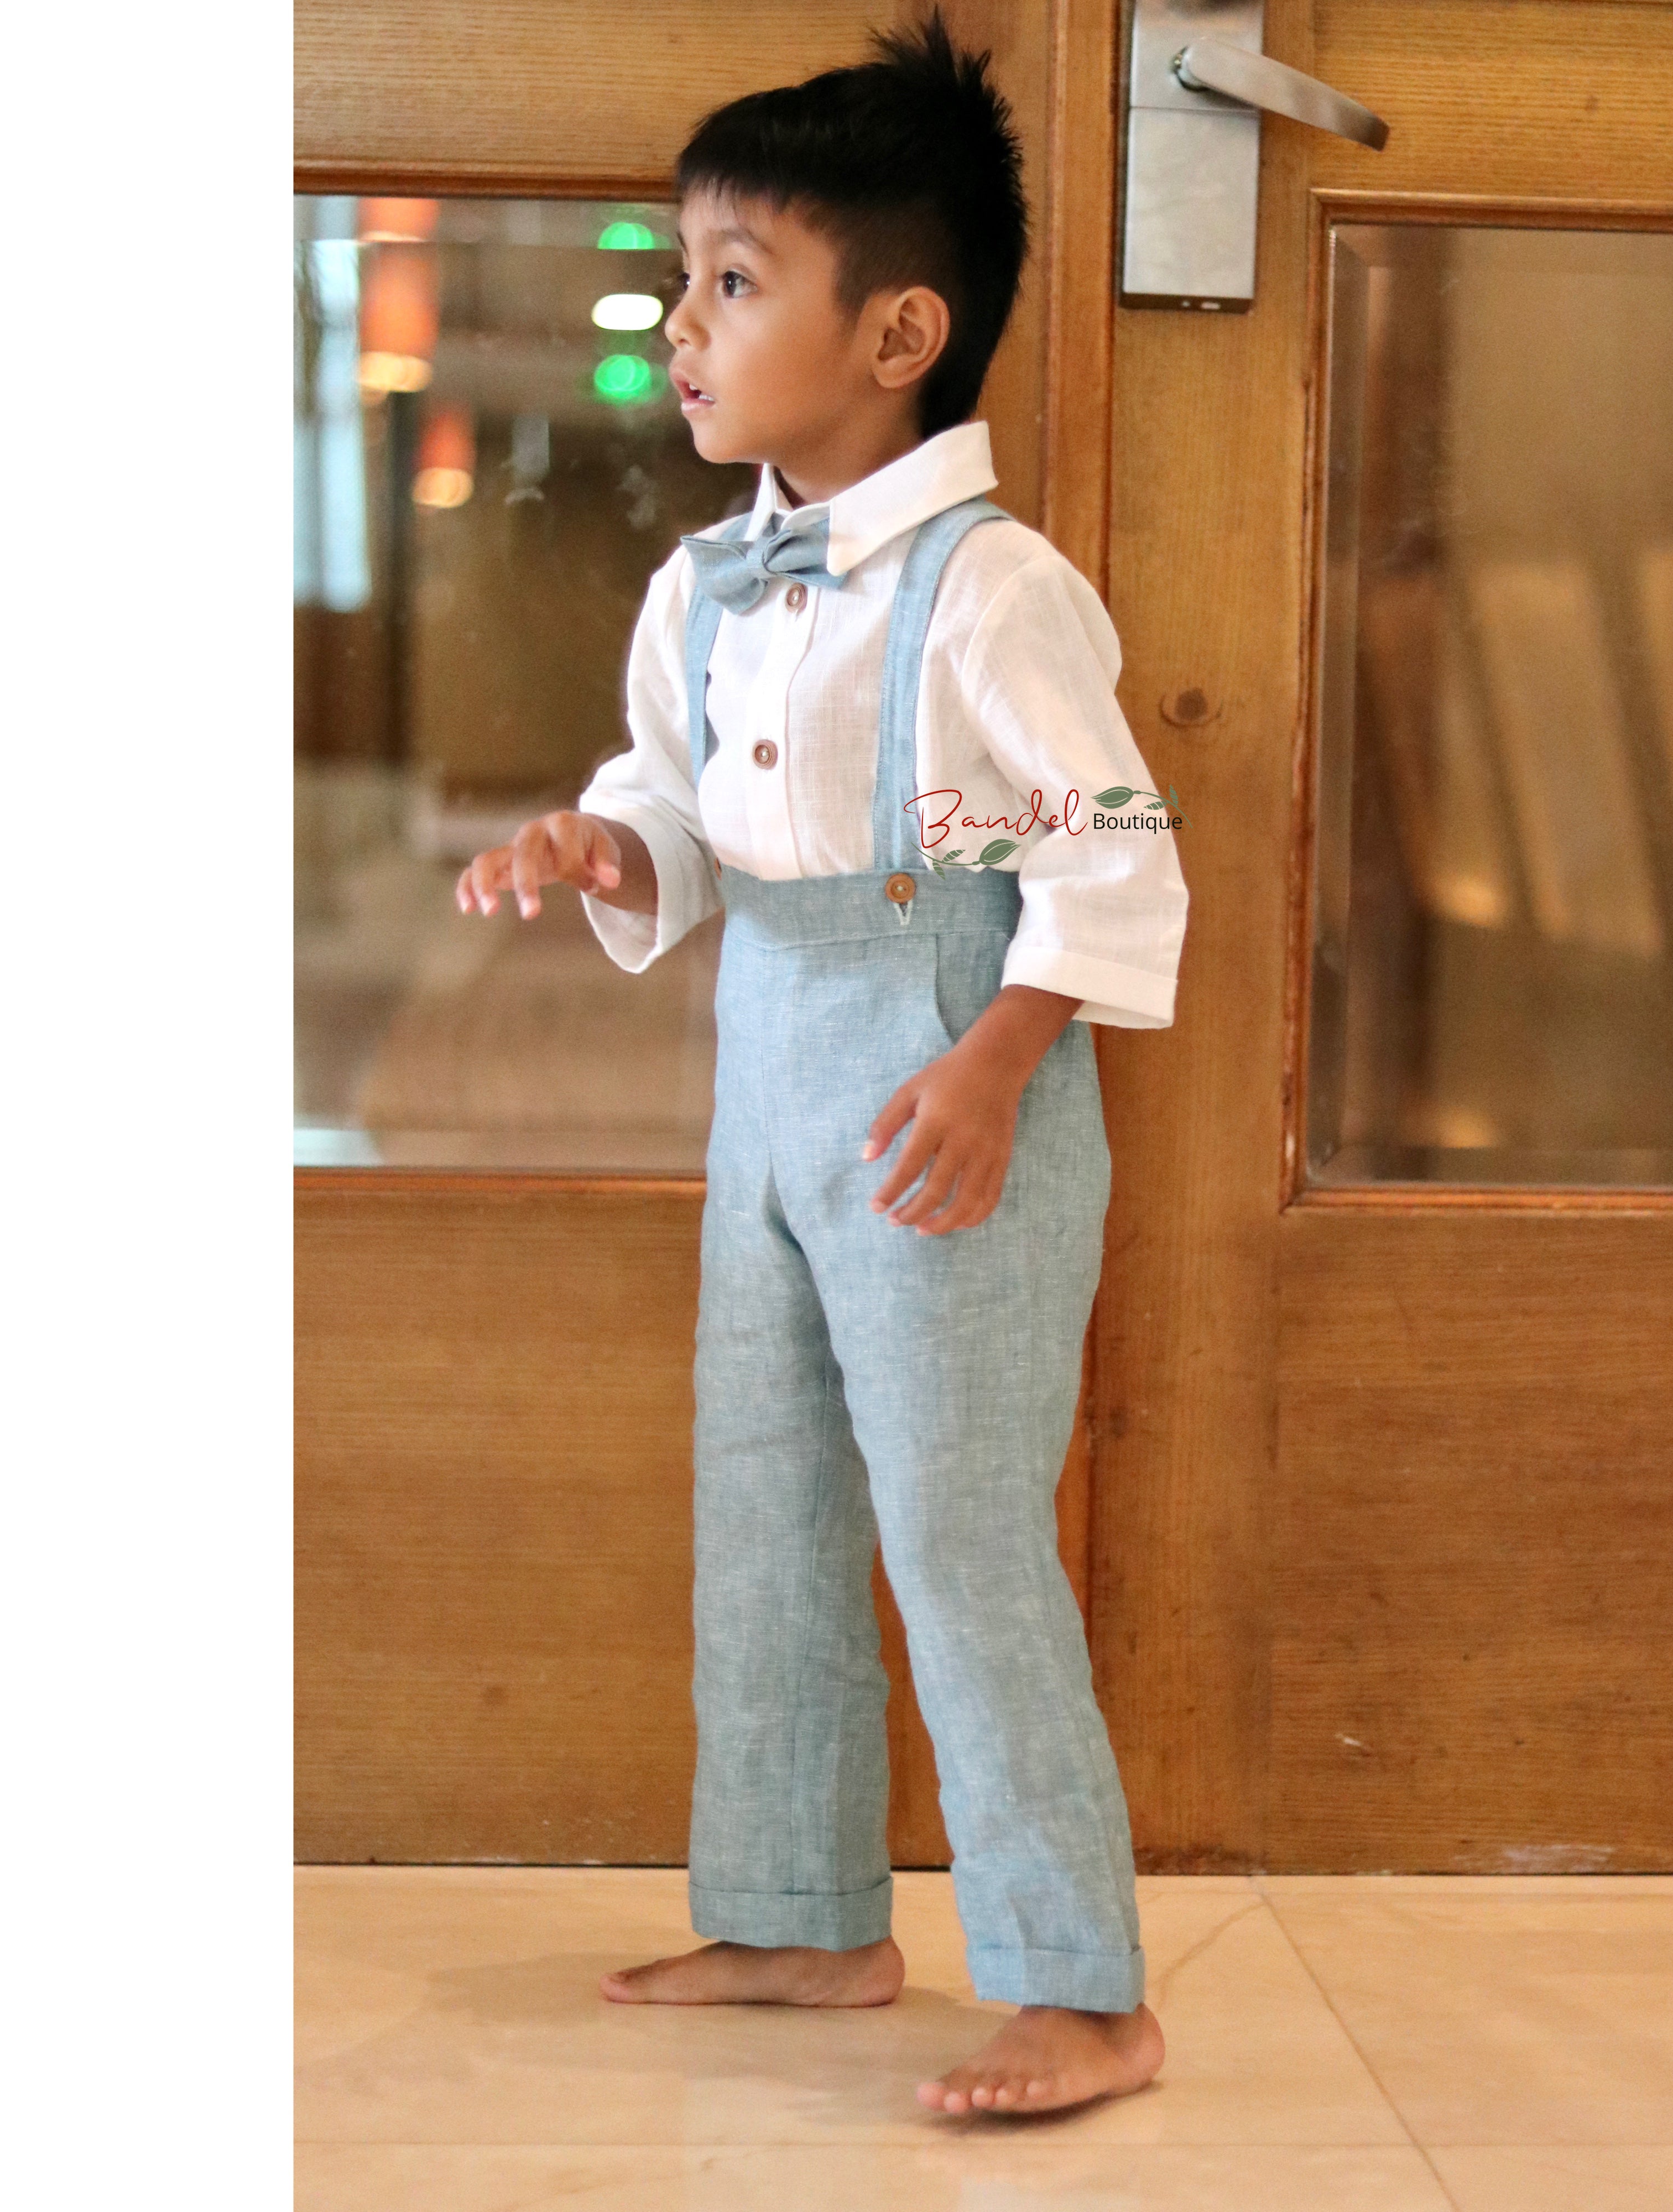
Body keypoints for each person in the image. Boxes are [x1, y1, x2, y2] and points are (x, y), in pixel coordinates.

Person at [455, 10, 1186, 2118]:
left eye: (736, 281)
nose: (681, 325)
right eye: (679, 280)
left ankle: (1081, 1978)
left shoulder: (990, 589)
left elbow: (1107, 850)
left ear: (900, 331)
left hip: (951, 1068)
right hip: (767, 1067)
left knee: (958, 1523)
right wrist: (608, 842)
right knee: (764, 1487)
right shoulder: (701, 585)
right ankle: (801, 1913)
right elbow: (682, 815)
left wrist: (998, 1058)